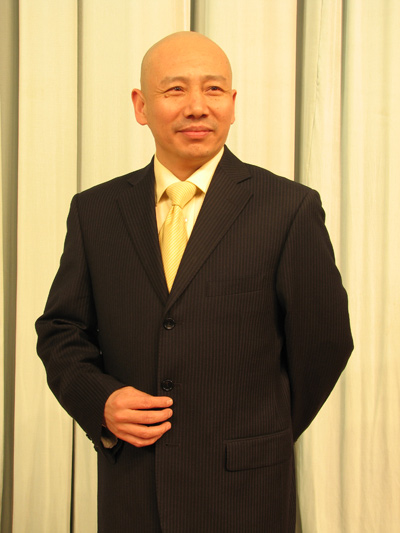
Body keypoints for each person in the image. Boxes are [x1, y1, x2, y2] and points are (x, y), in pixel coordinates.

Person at [36, 31, 353, 532]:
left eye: (214, 89)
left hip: (245, 495)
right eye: (175, 89)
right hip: (133, 490)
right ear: (141, 106)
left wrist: (261, 433)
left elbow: (325, 342)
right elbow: (61, 330)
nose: (198, 107)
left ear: (233, 103)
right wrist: (101, 401)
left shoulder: (288, 208)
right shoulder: (96, 211)